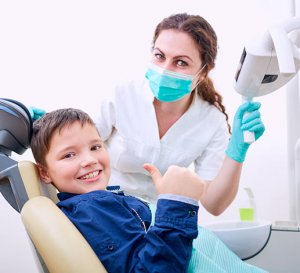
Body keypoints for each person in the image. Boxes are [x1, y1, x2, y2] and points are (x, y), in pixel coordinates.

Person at [96, 12, 265, 212]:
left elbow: (214, 204)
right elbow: (76, 149)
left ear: (203, 72)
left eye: (181, 62)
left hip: (156, 222)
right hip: (104, 209)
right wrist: (50, 132)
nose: (165, 69)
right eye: (159, 56)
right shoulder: (122, 94)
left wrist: (236, 152)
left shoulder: (211, 121)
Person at [30, 108, 206, 273]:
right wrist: (177, 204)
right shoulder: (93, 209)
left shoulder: (95, 204)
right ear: (45, 172)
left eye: (95, 147)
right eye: (69, 155)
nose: (89, 160)